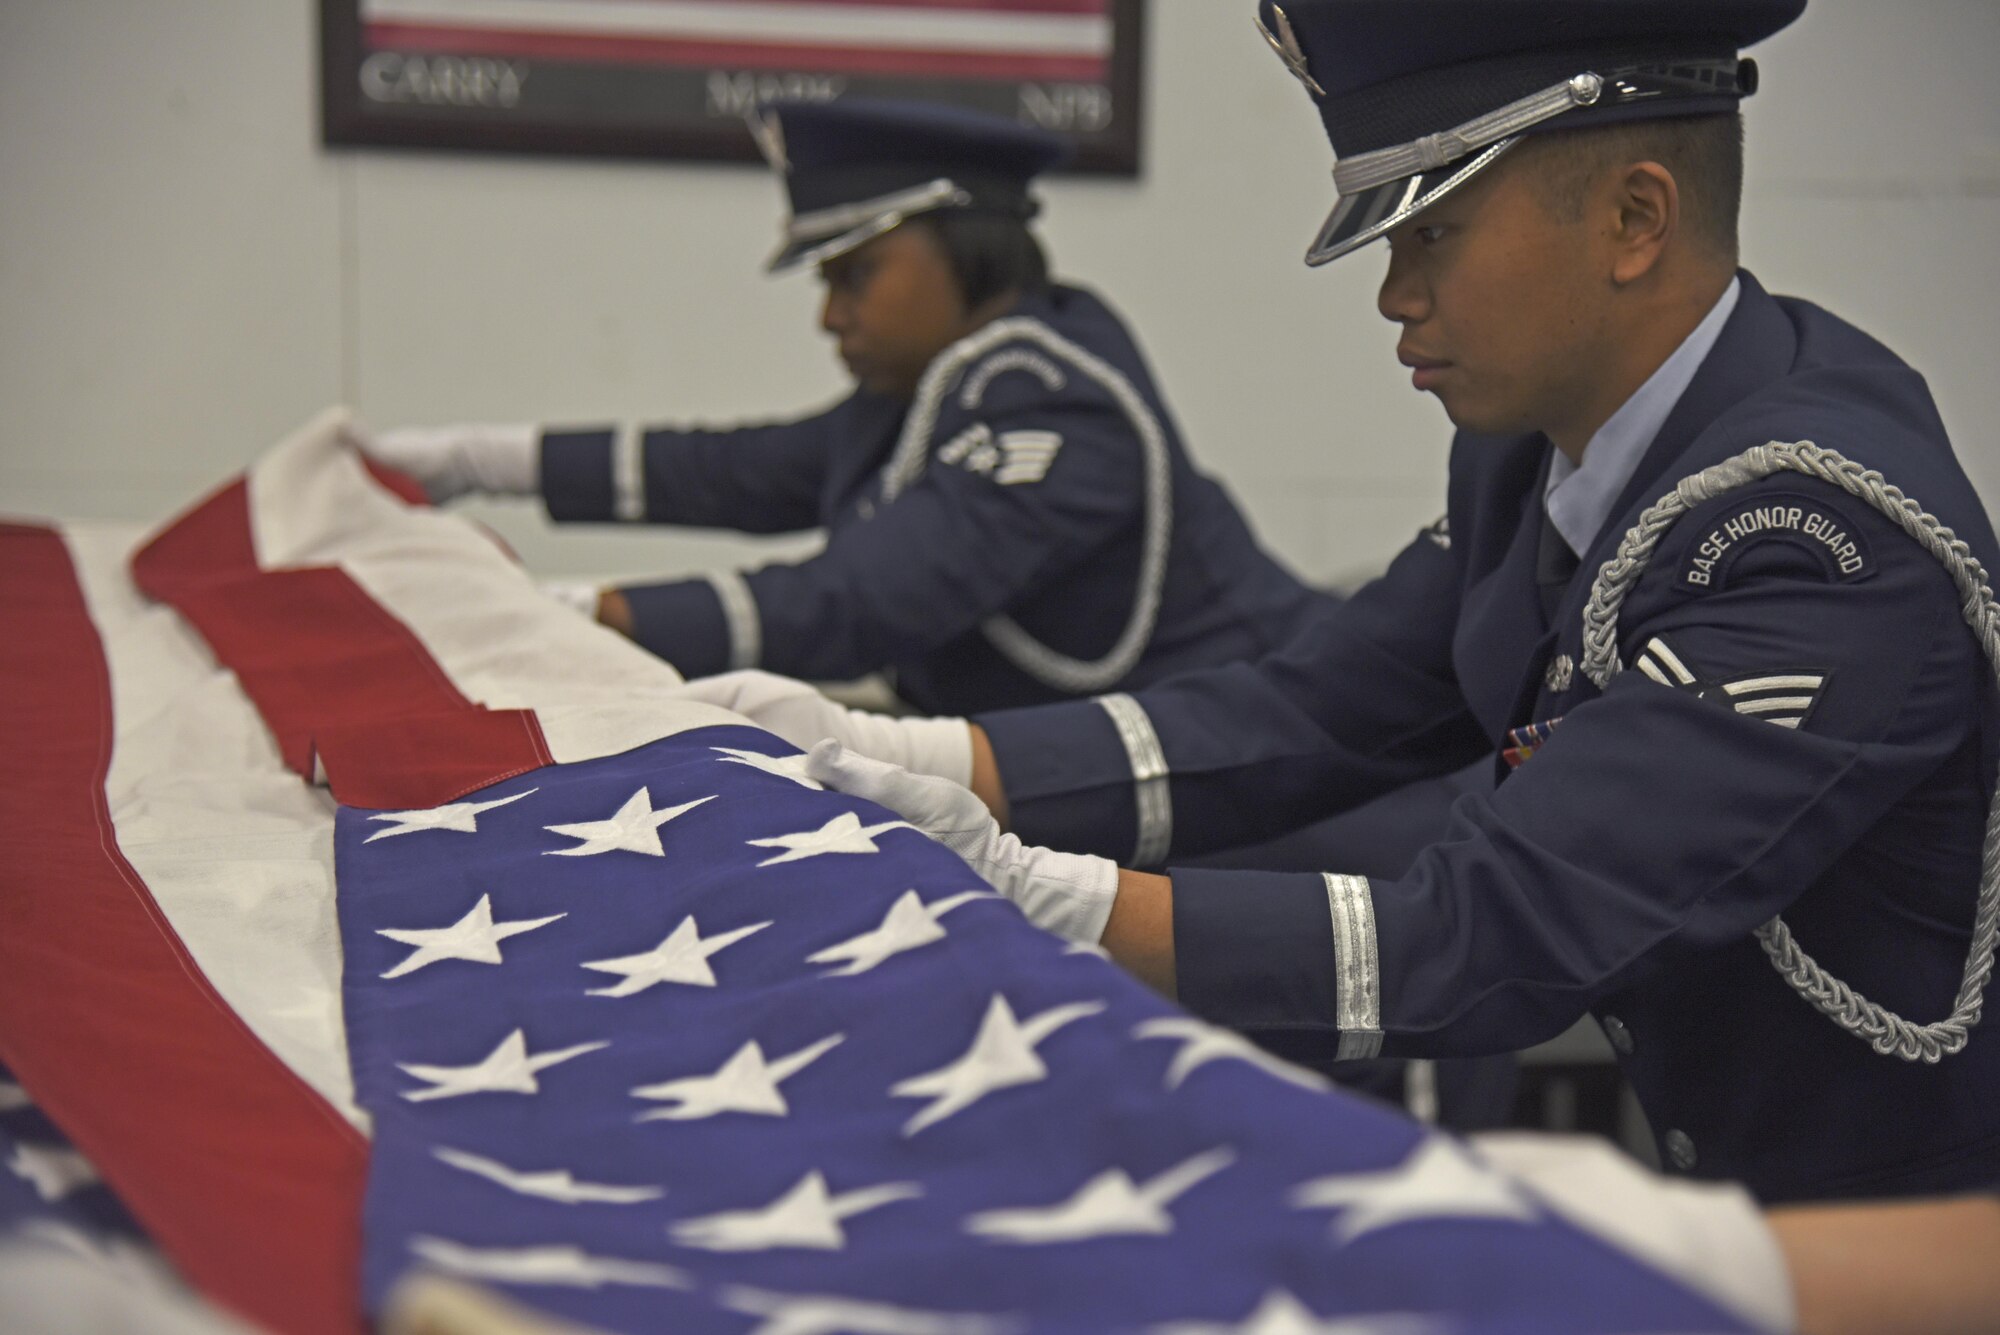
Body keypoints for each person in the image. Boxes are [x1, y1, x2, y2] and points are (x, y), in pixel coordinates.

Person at [739, 0, 2000, 1206]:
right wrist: (906, 758)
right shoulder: (1539, 443)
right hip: (1748, 1183)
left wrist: (1037, 894)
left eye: (1430, 232)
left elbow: (1492, 932)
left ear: (1632, 219)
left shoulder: (1815, 541)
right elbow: (1320, 710)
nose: (1395, 295)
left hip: (1921, 1233)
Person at [349, 98, 1337, 729]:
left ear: (965, 247)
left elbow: (858, 602)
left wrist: (563, 614)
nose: (831, 316)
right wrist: (483, 460)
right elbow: (740, 469)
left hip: (1281, 774)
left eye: (855, 274)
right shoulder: (939, 385)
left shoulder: (1053, 398)